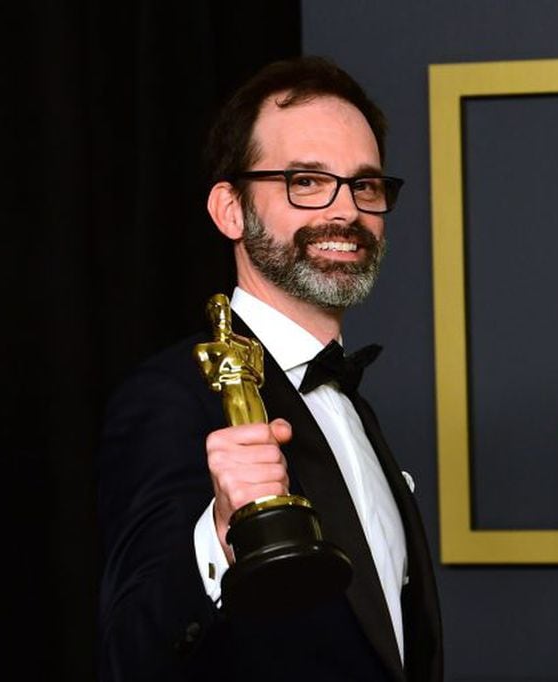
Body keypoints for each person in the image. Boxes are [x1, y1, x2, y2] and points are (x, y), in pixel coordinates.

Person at [97, 56, 442, 681]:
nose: (345, 212)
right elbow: (131, 651)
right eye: (306, 181)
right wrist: (219, 535)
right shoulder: (173, 399)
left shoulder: (349, 404)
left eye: (364, 185)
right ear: (230, 210)